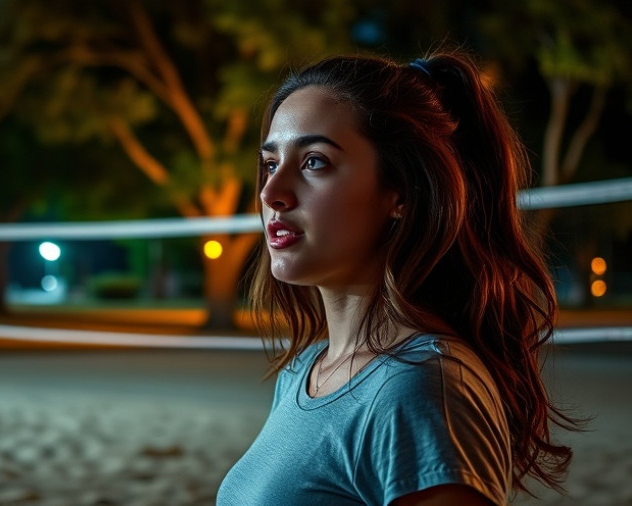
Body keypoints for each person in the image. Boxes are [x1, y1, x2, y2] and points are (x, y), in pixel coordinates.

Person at [217, 51, 578, 505]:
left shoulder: (421, 388)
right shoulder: (303, 371)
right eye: (270, 164)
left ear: (401, 192)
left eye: (314, 162)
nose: (272, 192)